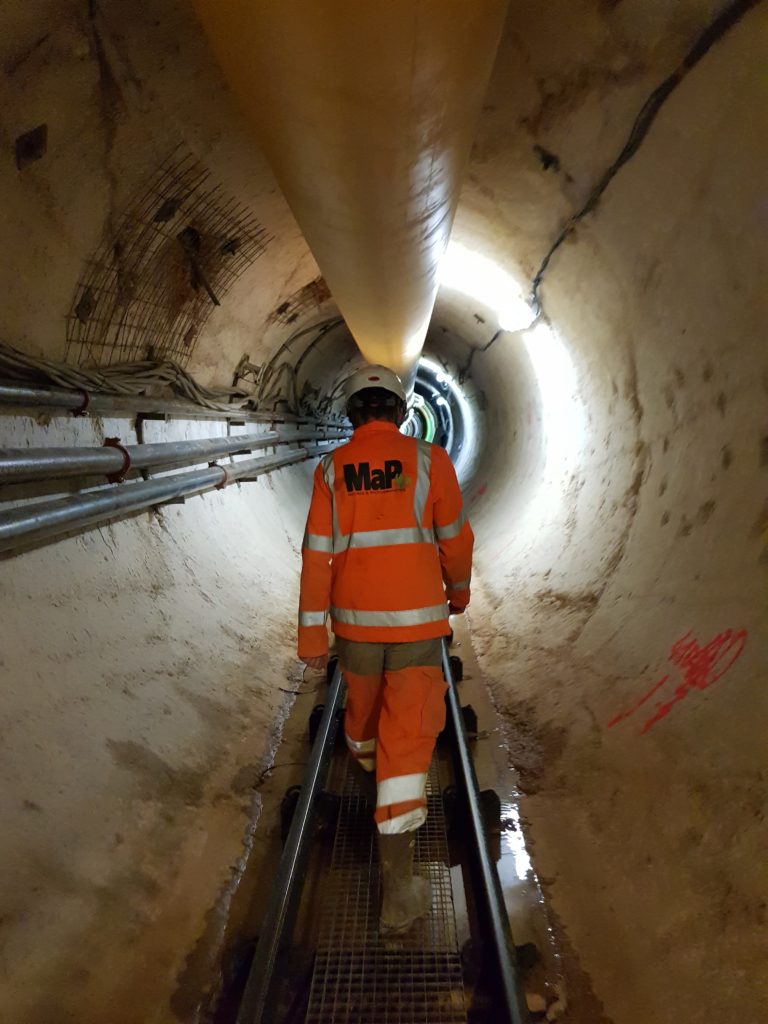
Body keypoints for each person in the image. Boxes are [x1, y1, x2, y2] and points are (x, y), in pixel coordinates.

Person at [297, 363, 474, 932]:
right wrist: (458, 591)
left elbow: (316, 554)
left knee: (365, 730)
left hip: (356, 631)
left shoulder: (331, 470)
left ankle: (382, 793)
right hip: (418, 629)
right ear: (400, 412)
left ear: (351, 414)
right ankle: (399, 889)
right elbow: (454, 538)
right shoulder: (430, 461)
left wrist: (311, 634)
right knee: (406, 742)